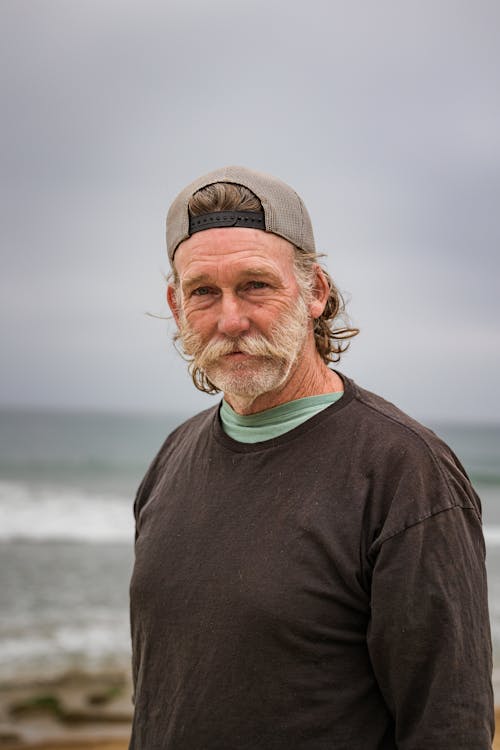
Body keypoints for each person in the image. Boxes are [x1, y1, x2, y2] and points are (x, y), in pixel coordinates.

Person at [129, 166, 494, 749]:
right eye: (203, 291)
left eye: (255, 285)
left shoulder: (405, 472)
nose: (231, 319)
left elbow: (448, 723)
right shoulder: (173, 457)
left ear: (316, 292)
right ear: (176, 305)